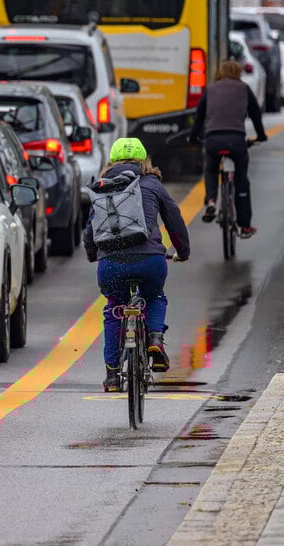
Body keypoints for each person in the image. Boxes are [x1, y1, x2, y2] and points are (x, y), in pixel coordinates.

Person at [83, 138, 191, 392]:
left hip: (111, 264)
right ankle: (154, 338)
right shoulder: (153, 184)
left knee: (114, 308)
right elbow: (174, 220)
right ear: (144, 160)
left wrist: (93, 255)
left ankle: (112, 376)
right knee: (155, 296)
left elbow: (90, 231)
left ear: (112, 161)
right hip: (150, 261)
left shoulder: (102, 187)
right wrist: (183, 252)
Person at [189, 60, 268, 238]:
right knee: (241, 181)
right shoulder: (244, 89)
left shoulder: (210, 89)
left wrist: (194, 137)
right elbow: (256, 114)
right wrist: (261, 135)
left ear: (220, 72)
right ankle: (245, 226)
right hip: (237, 140)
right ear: (238, 73)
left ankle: (211, 200)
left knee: (211, 169)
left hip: (213, 139)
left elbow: (199, 116)